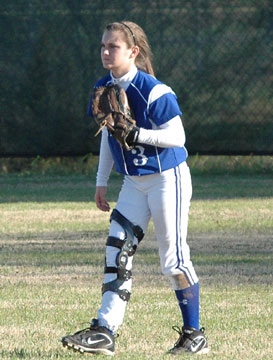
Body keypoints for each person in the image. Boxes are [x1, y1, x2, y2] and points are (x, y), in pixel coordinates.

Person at [61, 21, 209, 356]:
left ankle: (194, 333)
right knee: (118, 251)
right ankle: (105, 331)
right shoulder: (103, 87)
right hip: (133, 182)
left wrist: (138, 134)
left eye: (113, 46)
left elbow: (178, 138)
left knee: (173, 261)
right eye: (102, 46)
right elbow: (107, 138)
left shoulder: (153, 90)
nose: (105, 52)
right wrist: (101, 181)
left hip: (166, 178)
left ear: (133, 52)